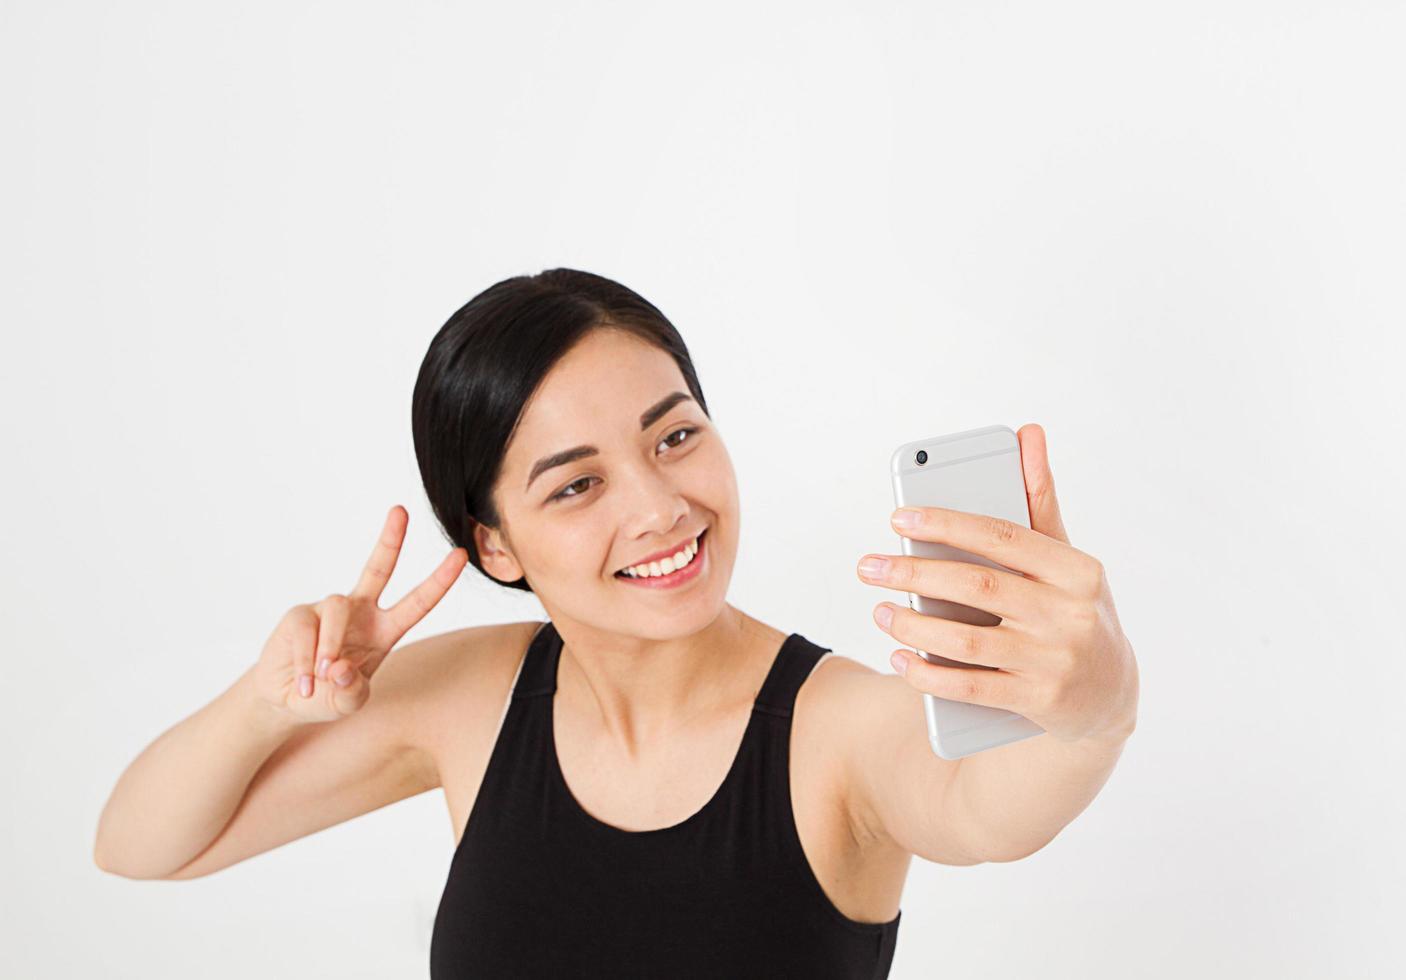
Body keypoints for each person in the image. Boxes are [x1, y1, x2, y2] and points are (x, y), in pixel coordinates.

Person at [93, 268, 1139, 978]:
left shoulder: (834, 728)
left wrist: (1097, 705)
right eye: (576, 483)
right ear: (495, 543)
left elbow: (988, 810)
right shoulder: (470, 697)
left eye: (674, 434)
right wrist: (265, 702)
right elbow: (141, 844)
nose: (658, 506)